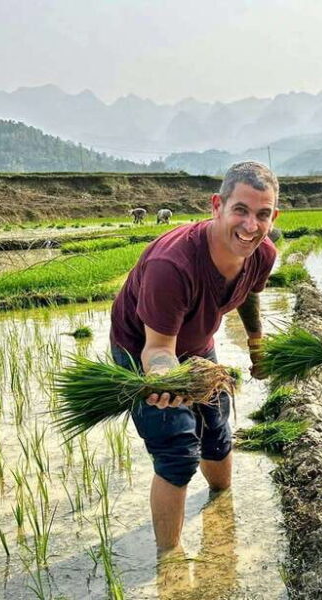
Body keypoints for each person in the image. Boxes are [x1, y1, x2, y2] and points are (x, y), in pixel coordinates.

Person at [109, 161, 279, 553]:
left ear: (273, 216)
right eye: (240, 210)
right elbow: (158, 349)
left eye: (262, 214)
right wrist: (168, 382)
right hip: (143, 352)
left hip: (199, 345)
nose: (250, 225)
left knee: (217, 431)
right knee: (177, 452)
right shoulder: (171, 265)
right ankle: (168, 560)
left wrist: (257, 344)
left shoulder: (262, 254)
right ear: (217, 205)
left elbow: (250, 292)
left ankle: (222, 507)